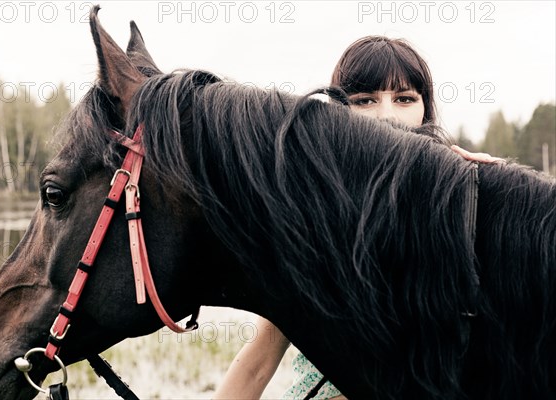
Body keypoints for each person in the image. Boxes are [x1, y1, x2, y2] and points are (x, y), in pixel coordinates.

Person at [213, 35, 500, 400]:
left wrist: (496, 198)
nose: (386, 115)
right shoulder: (312, 222)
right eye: (365, 100)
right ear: (339, 111)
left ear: (425, 110)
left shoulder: (461, 207)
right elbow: (258, 362)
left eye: (405, 98)